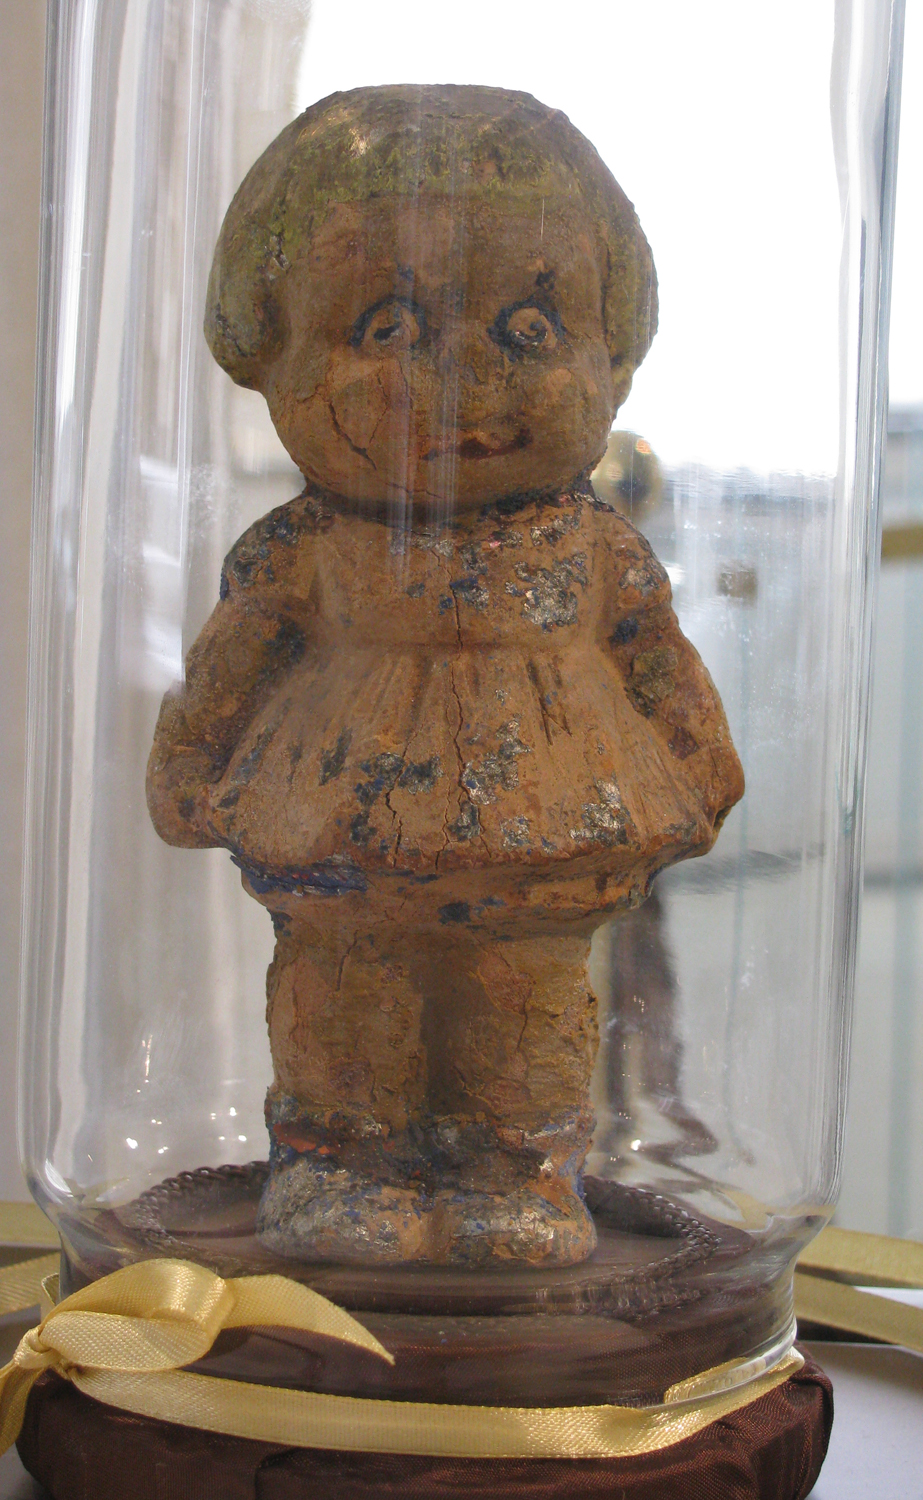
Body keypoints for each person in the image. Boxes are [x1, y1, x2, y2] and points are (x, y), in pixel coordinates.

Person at [147, 84, 743, 1267]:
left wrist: (699, 759)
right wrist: (190, 756)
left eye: (528, 329)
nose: (466, 374)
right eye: (387, 328)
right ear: (267, 356)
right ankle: (338, 1163)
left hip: (544, 836)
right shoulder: (307, 550)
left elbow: (655, 654)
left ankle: (512, 1172)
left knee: (525, 1011)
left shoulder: (593, 549)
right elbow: (232, 659)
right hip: (341, 841)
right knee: (344, 1002)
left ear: (614, 358)